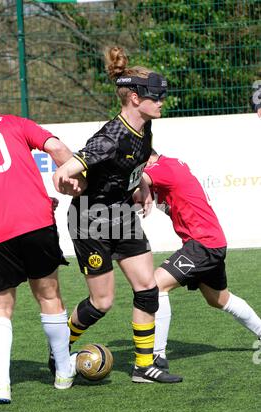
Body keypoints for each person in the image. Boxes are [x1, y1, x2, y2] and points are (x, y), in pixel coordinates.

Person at [51, 46, 183, 384]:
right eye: (157, 95)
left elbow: (136, 162)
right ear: (136, 99)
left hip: (121, 214)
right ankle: (60, 348)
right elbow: (69, 166)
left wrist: (141, 186)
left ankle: (143, 366)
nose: (162, 101)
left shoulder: (144, 128)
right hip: (90, 220)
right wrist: (63, 178)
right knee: (102, 301)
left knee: (147, 288)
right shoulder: (111, 137)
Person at [0, 96, 81, 404]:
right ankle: (64, 371)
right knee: (49, 296)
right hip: (37, 221)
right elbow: (55, 148)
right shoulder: (14, 122)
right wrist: (74, 181)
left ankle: (1, 385)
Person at [142, 155, 261, 369]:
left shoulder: (162, 168)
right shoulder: (168, 167)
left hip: (202, 244)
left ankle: (157, 356)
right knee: (219, 300)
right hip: (209, 242)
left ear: (148, 159)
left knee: (156, 285)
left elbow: (137, 181)